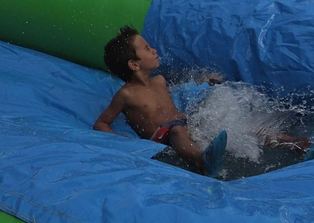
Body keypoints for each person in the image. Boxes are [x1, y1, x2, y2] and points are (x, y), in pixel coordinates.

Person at [93, 27, 228, 175]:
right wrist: (119, 139)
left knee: (201, 119)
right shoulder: (126, 94)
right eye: (147, 49)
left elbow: (172, 97)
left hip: (180, 123)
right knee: (177, 132)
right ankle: (203, 162)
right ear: (134, 65)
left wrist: (202, 84)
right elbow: (101, 123)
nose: (154, 50)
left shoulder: (159, 80)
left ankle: (221, 147)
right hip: (162, 135)